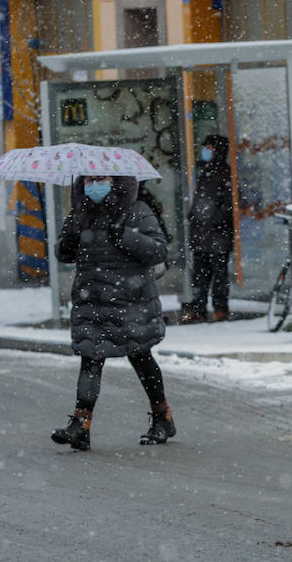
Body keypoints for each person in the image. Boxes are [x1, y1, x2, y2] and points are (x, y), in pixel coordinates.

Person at [51, 174, 175, 451]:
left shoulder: (137, 211)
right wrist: (68, 242)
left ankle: (163, 417)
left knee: (141, 357)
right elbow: (63, 252)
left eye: (101, 179)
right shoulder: (80, 214)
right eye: (88, 180)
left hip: (130, 301)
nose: (94, 185)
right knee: (90, 360)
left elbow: (159, 250)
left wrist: (126, 236)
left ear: (116, 181)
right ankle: (80, 426)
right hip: (91, 300)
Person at [181, 134, 233, 324]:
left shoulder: (223, 173)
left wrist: (212, 220)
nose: (205, 151)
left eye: (209, 147)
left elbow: (227, 204)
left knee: (218, 275)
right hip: (202, 234)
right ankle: (199, 308)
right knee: (200, 275)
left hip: (217, 234)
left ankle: (220, 309)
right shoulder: (204, 171)